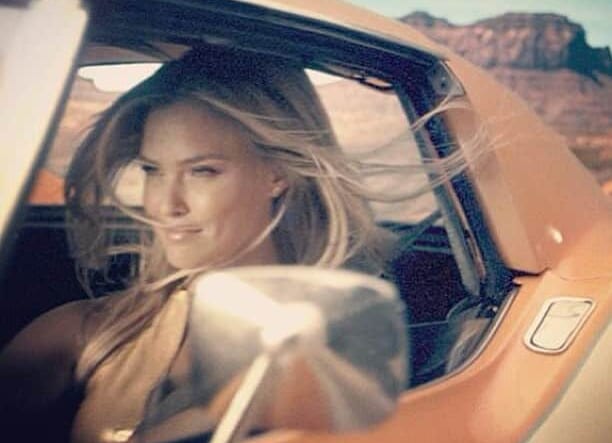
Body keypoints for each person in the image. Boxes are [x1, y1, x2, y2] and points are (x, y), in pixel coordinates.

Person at [0, 47, 389, 442]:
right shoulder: (89, 335)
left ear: (278, 174)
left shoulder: (332, 353)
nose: (166, 204)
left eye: (202, 171)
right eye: (152, 170)